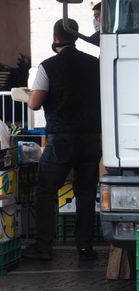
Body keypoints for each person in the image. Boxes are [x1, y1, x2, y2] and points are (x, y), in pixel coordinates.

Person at [22, 18, 102, 261]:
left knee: (46, 191)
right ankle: (85, 248)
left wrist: (30, 96)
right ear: (76, 36)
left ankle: (44, 246)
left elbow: (34, 103)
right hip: (91, 138)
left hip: (61, 140)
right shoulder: (95, 64)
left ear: (55, 37)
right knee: (86, 194)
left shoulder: (48, 66)